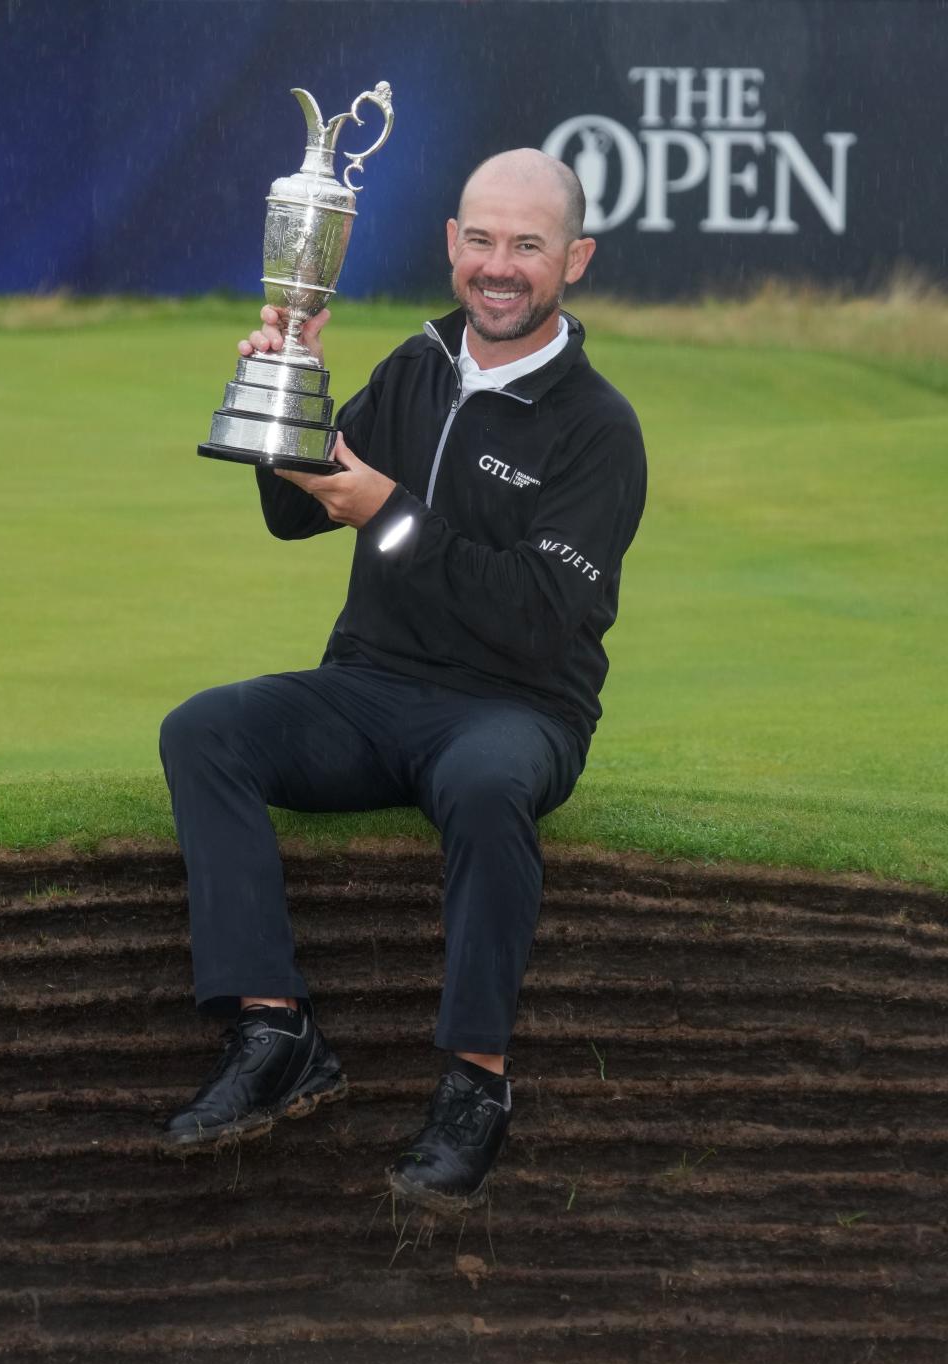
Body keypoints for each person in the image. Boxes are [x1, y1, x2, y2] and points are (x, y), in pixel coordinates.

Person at [158, 148, 647, 1215]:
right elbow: (297, 510)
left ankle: (475, 1088)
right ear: (450, 245)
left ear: (576, 258)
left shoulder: (599, 428)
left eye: (528, 244)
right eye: (481, 239)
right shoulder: (417, 366)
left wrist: (389, 512)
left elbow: (535, 617)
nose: (500, 266)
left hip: (517, 712)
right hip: (373, 688)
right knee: (203, 731)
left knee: (482, 786)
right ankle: (276, 1031)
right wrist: (282, 386)